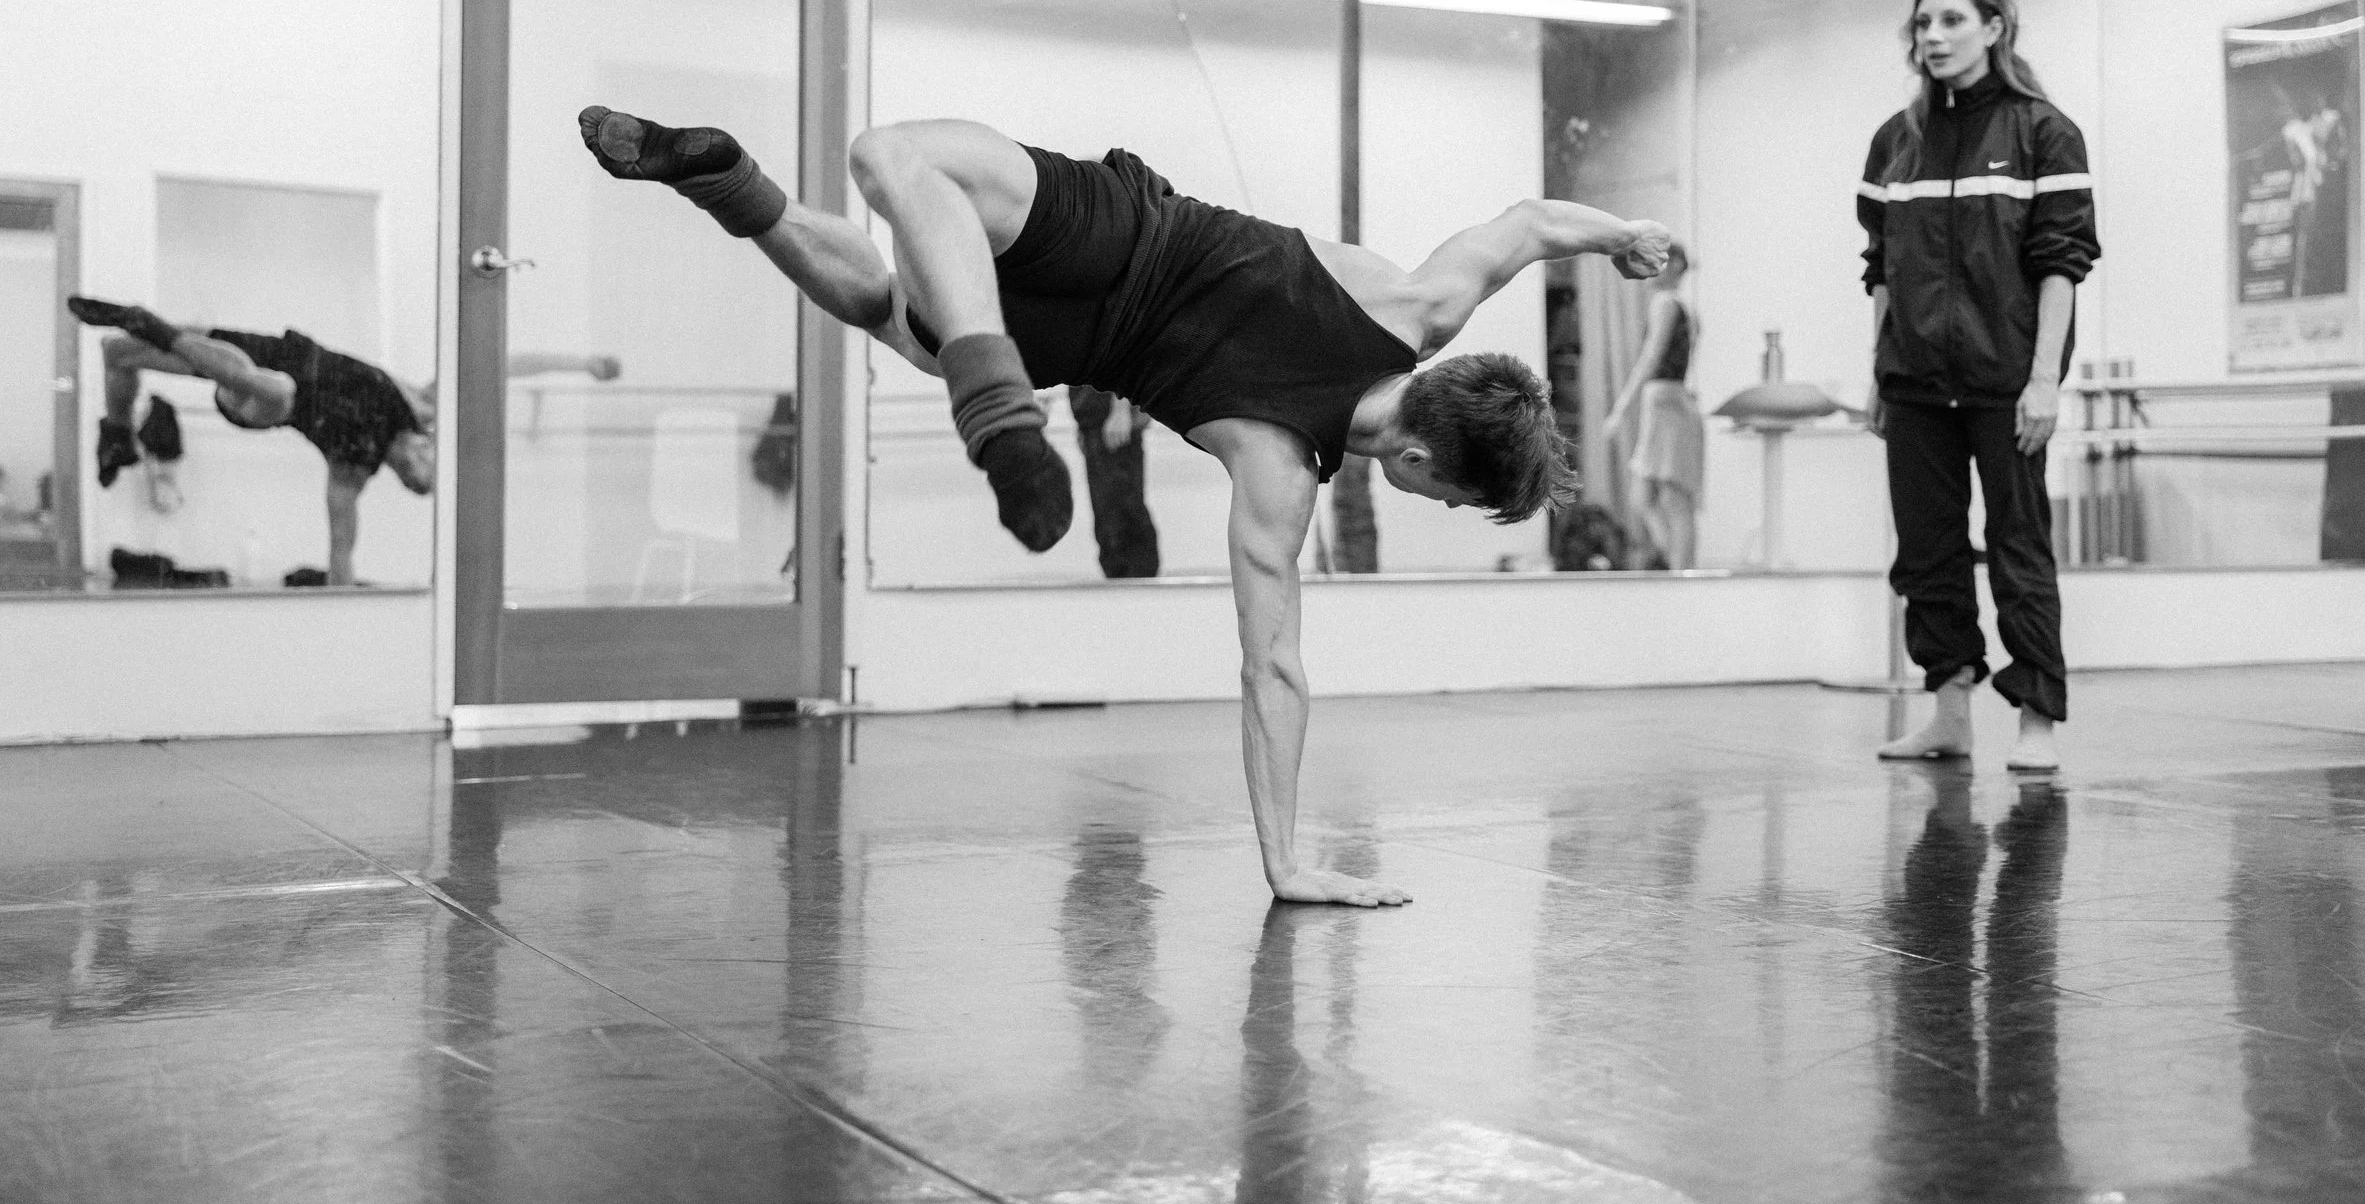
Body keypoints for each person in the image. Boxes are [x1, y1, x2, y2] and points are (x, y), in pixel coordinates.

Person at [578, 104, 1680, 906]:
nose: (1433, 506)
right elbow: (1273, 670)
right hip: (1083, 341)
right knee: (883, 306)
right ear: (1432, 464)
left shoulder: (1419, 299)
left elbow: (1532, 221)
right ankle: (994, 398)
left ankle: (734, 181)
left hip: (1112, 226)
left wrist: (1624, 234)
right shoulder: (1277, 470)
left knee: (890, 171)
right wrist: (1284, 863)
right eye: (1449, 500)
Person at [1857, 0, 2098, 772]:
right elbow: (1881, 268)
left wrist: (2043, 381)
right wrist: (1878, 370)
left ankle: (2036, 720)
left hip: (2006, 383)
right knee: (1926, 553)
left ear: (1995, 28)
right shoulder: (1897, 142)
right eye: (1923, 23)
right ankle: (1949, 712)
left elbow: (2061, 265)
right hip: (1915, 383)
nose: (1933, 36)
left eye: (1952, 20)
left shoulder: (2044, 132)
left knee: (2019, 547)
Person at [67, 298, 436, 587]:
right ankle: (116, 436)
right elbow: (466, 357)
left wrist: (342, 618)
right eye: (424, 459)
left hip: (255, 404)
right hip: (273, 351)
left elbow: (342, 548)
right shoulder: (417, 406)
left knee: (280, 388)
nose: (413, 459)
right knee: (118, 352)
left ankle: (157, 329)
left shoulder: (353, 469)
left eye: (407, 473)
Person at [1598, 245, 1701, 570]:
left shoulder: (1666, 304)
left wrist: (1620, 408)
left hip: (1665, 403)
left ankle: (1679, 573)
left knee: (1673, 499)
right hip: (1665, 402)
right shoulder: (1684, 309)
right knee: (1645, 496)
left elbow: (1651, 358)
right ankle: (1672, 563)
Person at [1069, 384, 1160, 579]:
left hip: (1109, 415)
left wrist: (1121, 408)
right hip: (1095, 417)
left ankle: (1139, 588)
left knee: (1121, 516)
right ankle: (1127, 586)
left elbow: (1124, 356)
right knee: (1108, 519)